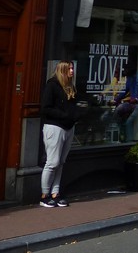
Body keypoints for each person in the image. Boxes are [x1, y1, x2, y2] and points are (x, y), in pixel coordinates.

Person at [40, 61, 85, 208]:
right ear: (63, 70)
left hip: (68, 127)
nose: (72, 71)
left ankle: (55, 193)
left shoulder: (71, 87)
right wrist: (65, 115)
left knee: (61, 162)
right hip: (54, 127)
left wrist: (76, 116)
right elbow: (46, 108)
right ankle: (44, 195)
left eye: (72, 68)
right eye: (69, 69)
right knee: (52, 162)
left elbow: (74, 106)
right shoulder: (52, 85)